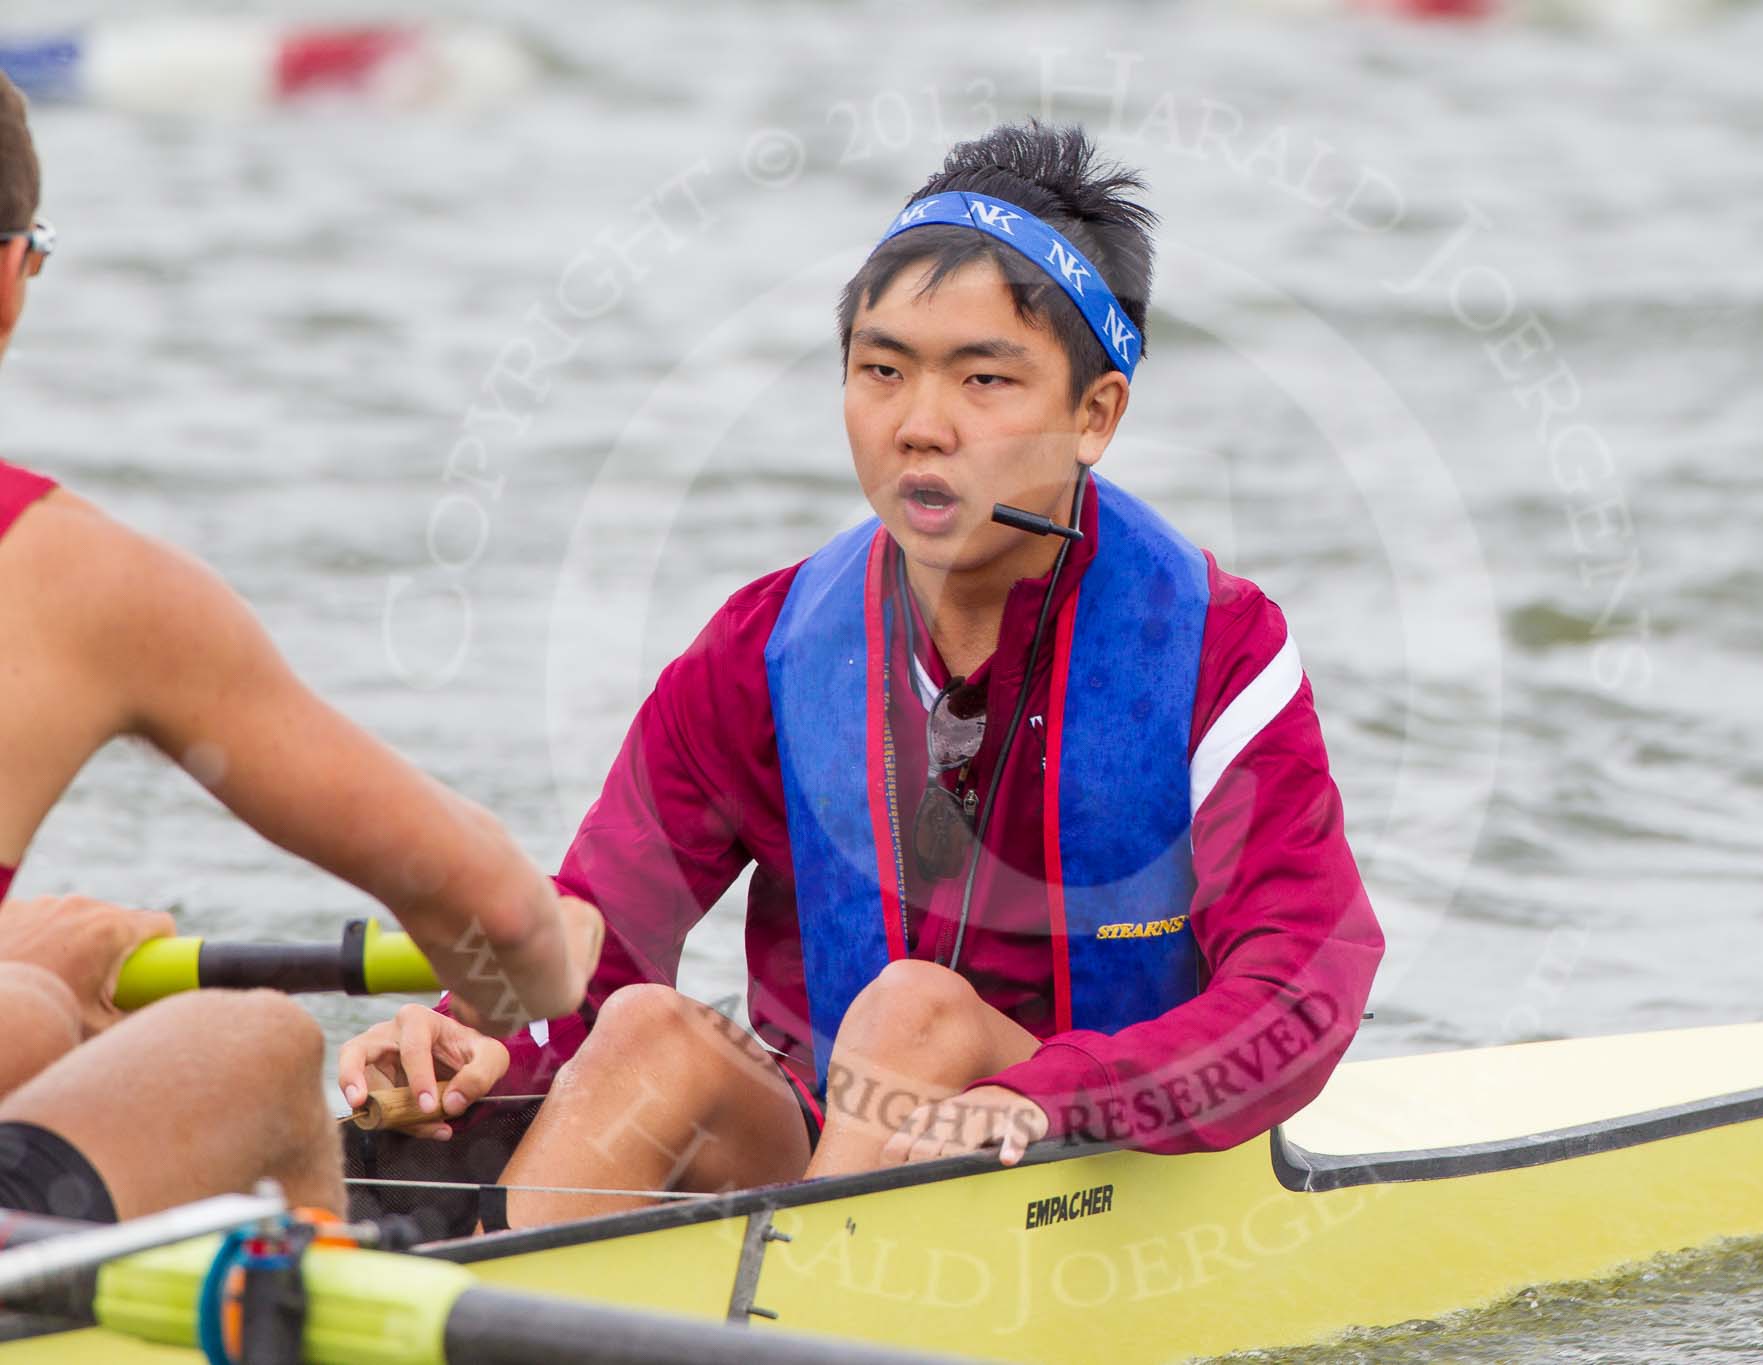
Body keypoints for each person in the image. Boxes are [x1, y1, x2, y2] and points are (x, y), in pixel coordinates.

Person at [341, 121, 1385, 1229]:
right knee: (648, 1029)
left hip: (1099, 1158)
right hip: (832, 1134)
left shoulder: (1219, 651)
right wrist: (473, 1039)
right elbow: (599, 935)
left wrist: (1045, 1098)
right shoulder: (761, 649)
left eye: (983, 380)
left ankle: (812, 1301)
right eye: (880, 371)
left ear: (1095, 415)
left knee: (915, 1015)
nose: (919, 427)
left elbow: (1298, 995)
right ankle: (485, 1304)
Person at [0, 72, 600, 1225]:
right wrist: (543, 971)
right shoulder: (80, 577)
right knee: (261, 1039)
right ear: (11, 274)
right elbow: (506, 925)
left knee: (35, 1007)